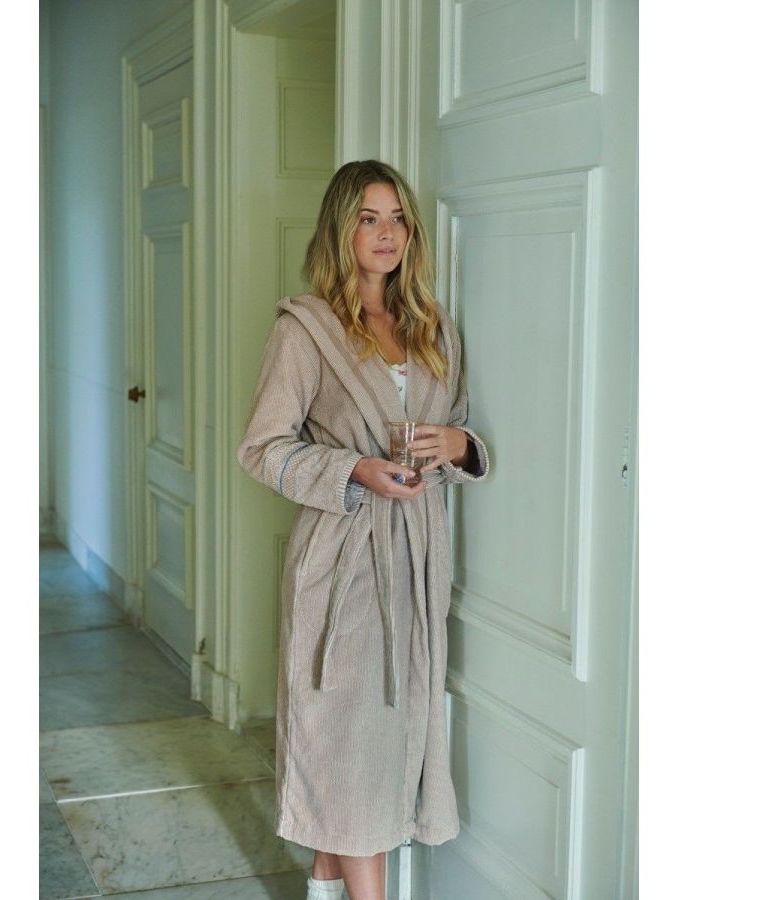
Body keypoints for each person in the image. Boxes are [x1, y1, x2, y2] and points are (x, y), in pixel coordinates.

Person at [236, 160, 491, 900]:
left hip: (417, 559)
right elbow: (262, 448)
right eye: (369, 219)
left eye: (398, 218)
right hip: (343, 563)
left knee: (372, 745)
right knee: (349, 741)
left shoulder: (432, 327)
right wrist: (354, 470)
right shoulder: (306, 331)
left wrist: (459, 446)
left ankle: (324, 886)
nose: (387, 234)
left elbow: (456, 432)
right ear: (341, 230)